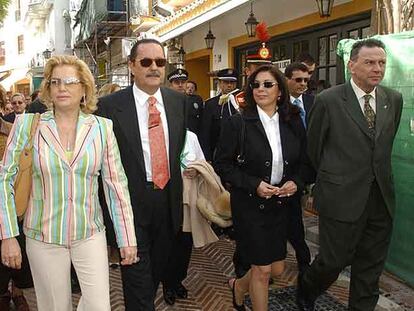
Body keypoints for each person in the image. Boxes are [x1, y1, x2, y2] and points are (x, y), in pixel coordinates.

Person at [0, 55, 138, 311]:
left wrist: (126, 237)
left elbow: (116, 186)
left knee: (99, 306)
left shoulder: (102, 128)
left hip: (90, 234)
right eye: (56, 82)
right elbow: (4, 179)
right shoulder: (28, 125)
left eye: (71, 81)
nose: (62, 87)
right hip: (43, 237)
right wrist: (8, 235)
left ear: (84, 88)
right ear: (48, 89)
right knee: (54, 306)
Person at [296, 38, 403, 311]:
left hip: (380, 199)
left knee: (370, 267)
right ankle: (307, 287)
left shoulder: (393, 99)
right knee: (333, 261)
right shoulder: (328, 100)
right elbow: (314, 148)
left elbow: (382, 146)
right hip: (340, 199)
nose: (377, 68)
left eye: (381, 63)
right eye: (369, 62)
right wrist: (336, 178)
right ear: (352, 65)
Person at [97, 38, 188, 311]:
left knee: (156, 272)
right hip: (130, 205)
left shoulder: (178, 102)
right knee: (137, 283)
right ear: (132, 66)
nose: (154, 67)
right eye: (146, 62)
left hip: (167, 202)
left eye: (159, 62)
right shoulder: (109, 106)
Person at [215, 64, 308, 310]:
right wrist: (254, 184)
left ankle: (238, 286)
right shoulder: (238, 123)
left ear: (280, 91)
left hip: (282, 205)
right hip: (249, 205)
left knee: (276, 267)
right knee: (262, 270)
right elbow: (222, 164)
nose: (260, 89)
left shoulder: (293, 121)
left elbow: (306, 163)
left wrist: (295, 183)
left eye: (267, 84)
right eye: (255, 85)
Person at [199, 68, 239, 161]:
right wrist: (207, 157)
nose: (229, 85)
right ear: (220, 83)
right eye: (225, 82)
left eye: (232, 82)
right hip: (218, 153)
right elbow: (205, 133)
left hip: (238, 153)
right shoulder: (211, 104)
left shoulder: (241, 102)